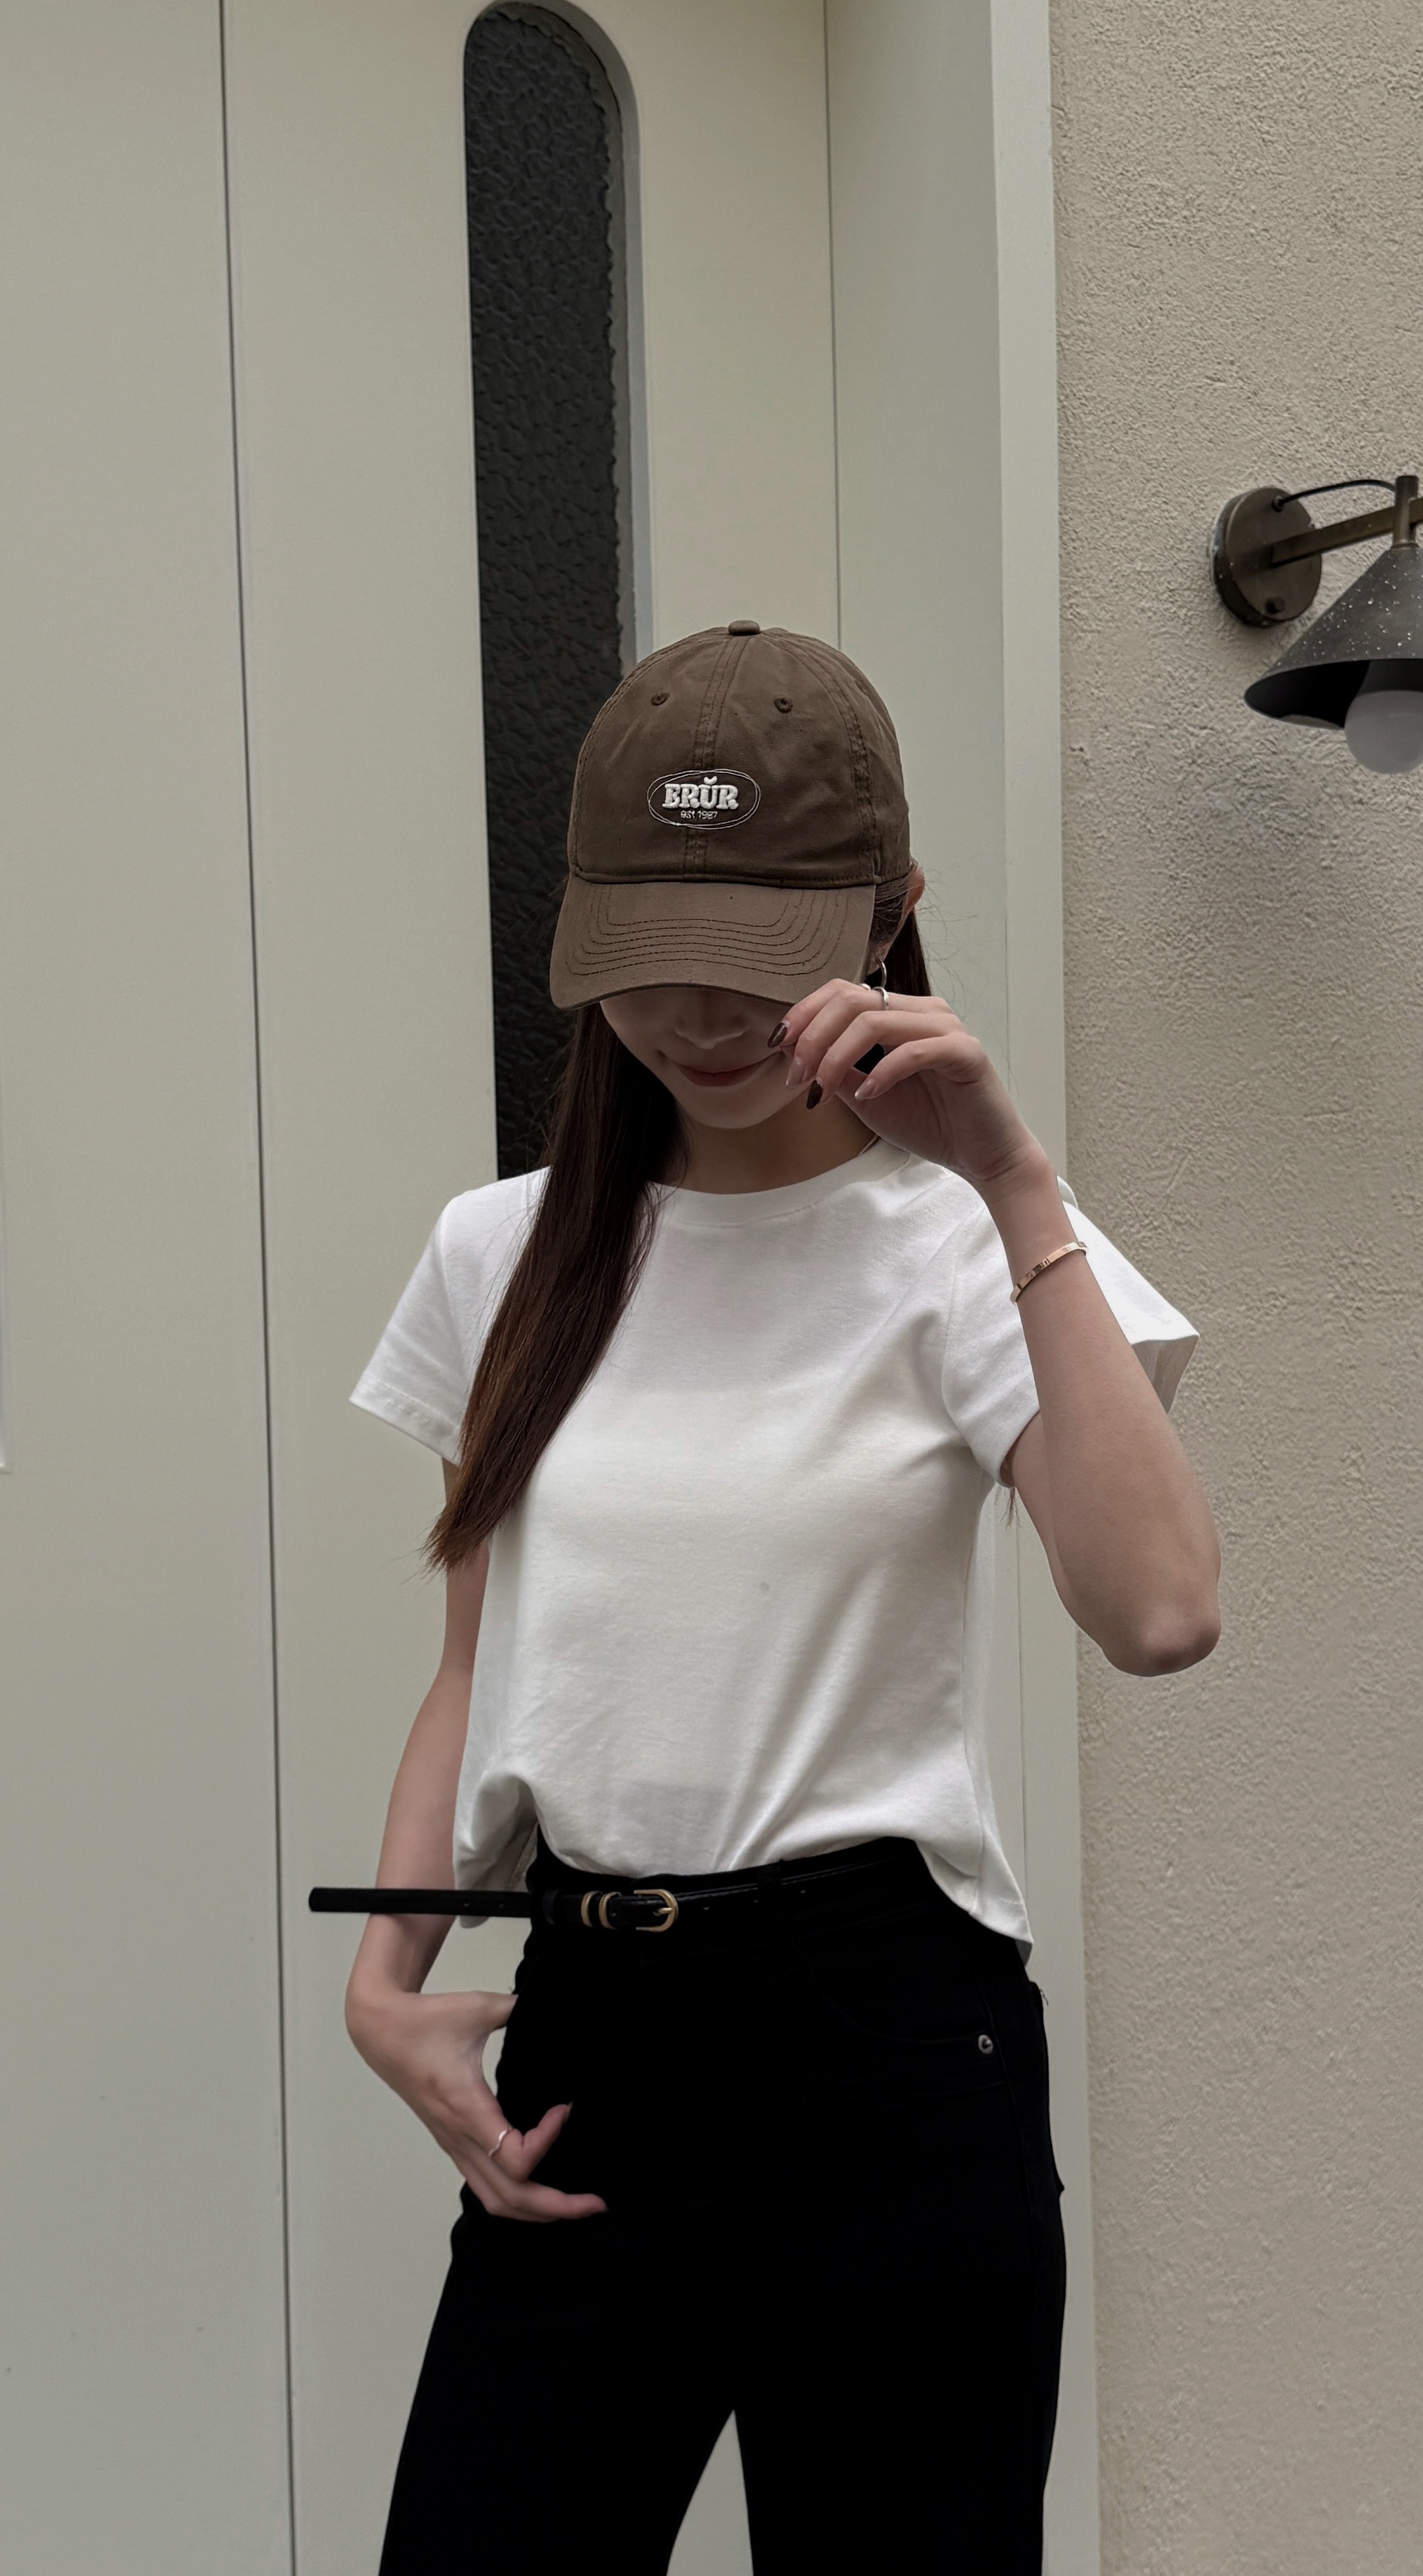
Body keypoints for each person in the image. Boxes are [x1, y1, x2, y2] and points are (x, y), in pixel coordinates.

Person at [345, 622, 1219, 2573]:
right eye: (649, 947)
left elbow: (1160, 1610)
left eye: (755, 949)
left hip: (887, 2047)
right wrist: (387, 1989)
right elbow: (475, 1668)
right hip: (595, 2043)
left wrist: (1013, 1182)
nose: (698, 1009)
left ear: (890, 911)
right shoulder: (500, 1255)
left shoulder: (962, 1244)